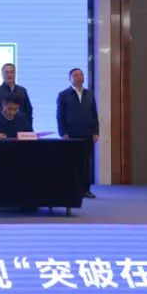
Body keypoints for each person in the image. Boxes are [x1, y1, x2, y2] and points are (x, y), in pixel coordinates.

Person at [56, 67, 99, 199]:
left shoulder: (90, 94)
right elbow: (60, 116)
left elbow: (94, 114)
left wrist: (96, 131)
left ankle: (86, 190)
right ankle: (72, 191)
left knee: (86, 163)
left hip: (87, 134)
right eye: (75, 75)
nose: (79, 77)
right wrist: (63, 132)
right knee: (72, 164)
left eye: (81, 75)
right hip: (71, 135)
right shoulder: (63, 95)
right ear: (70, 79)